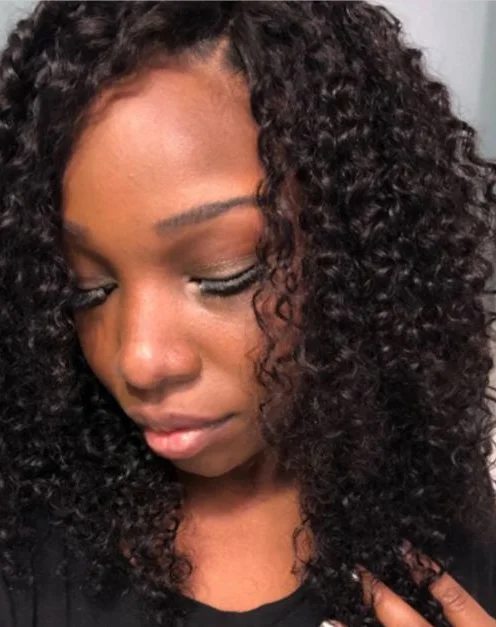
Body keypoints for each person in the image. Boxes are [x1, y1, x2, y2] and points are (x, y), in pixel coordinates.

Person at [0, 1, 495, 626]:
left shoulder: (438, 512)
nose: (140, 361)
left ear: (355, 254)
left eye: (222, 275)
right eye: (86, 289)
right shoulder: (22, 539)